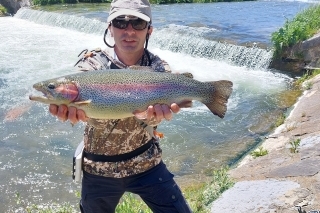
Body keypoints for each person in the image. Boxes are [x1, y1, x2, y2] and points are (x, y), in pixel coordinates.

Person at [48, 0, 193, 212]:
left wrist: (156, 116)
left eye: (138, 23)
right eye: (121, 22)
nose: (129, 31)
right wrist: (65, 107)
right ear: (110, 27)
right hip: (99, 170)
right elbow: (76, 86)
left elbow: (156, 118)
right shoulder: (92, 64)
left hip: (146, 163)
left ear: (149, 30)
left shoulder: (158, 69)